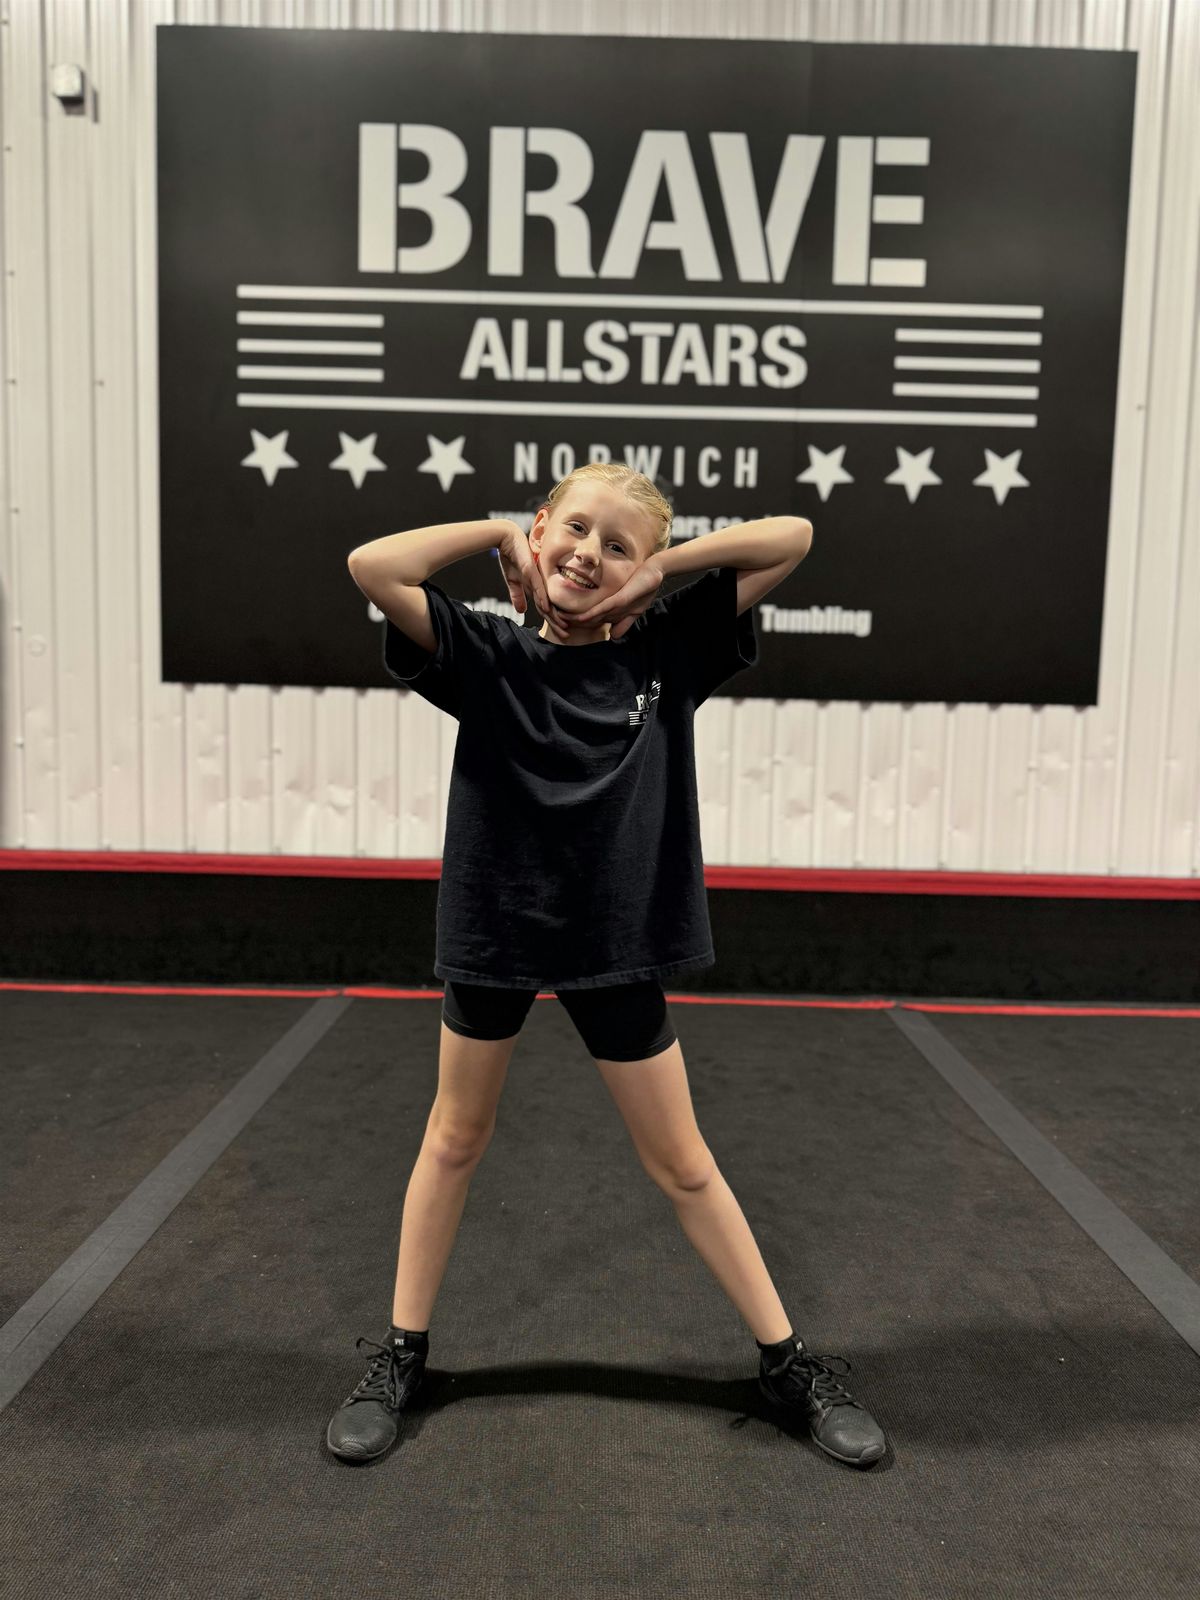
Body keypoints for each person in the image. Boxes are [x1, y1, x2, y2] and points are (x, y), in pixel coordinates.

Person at [326, 463, 887, 1469]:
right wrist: (496, 529)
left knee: (684, 1163)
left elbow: (793, 535)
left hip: (616, 945)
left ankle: (785, 1363)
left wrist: (665, 569)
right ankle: (401, 1355)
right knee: (453, 1138)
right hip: (497, 932)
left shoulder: (668, 648)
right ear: (542, 532)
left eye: (617, 546)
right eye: (575, 530)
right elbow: (374, 564)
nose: (590, 554)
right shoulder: (485, 650)